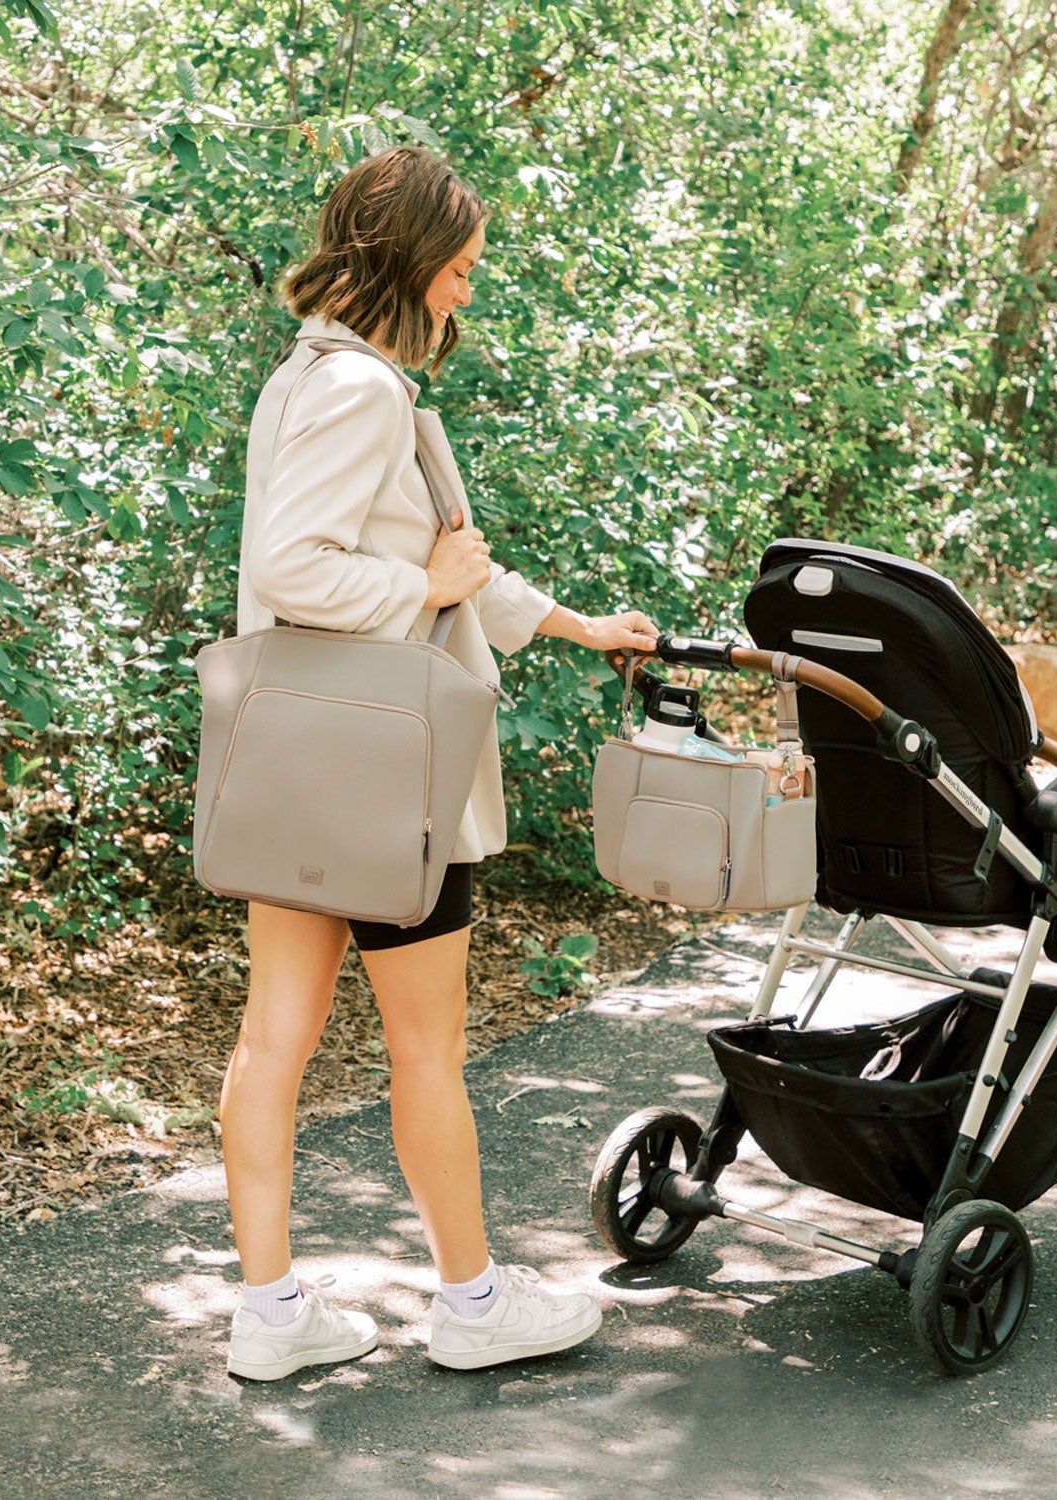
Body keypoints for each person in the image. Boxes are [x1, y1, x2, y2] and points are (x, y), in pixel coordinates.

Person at [219, 146, 659, 1382]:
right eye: (458, 266)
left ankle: (270, 1314)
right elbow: (297, 570)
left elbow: (445, 568)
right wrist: (425, 585)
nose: (467, 287)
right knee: (426, 1050)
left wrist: (575, 625)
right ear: (404, 260)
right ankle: (470, 1303)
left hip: (297, 757)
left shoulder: (307, 377)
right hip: (388, 769)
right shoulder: (363, 390)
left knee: (274, 1039)